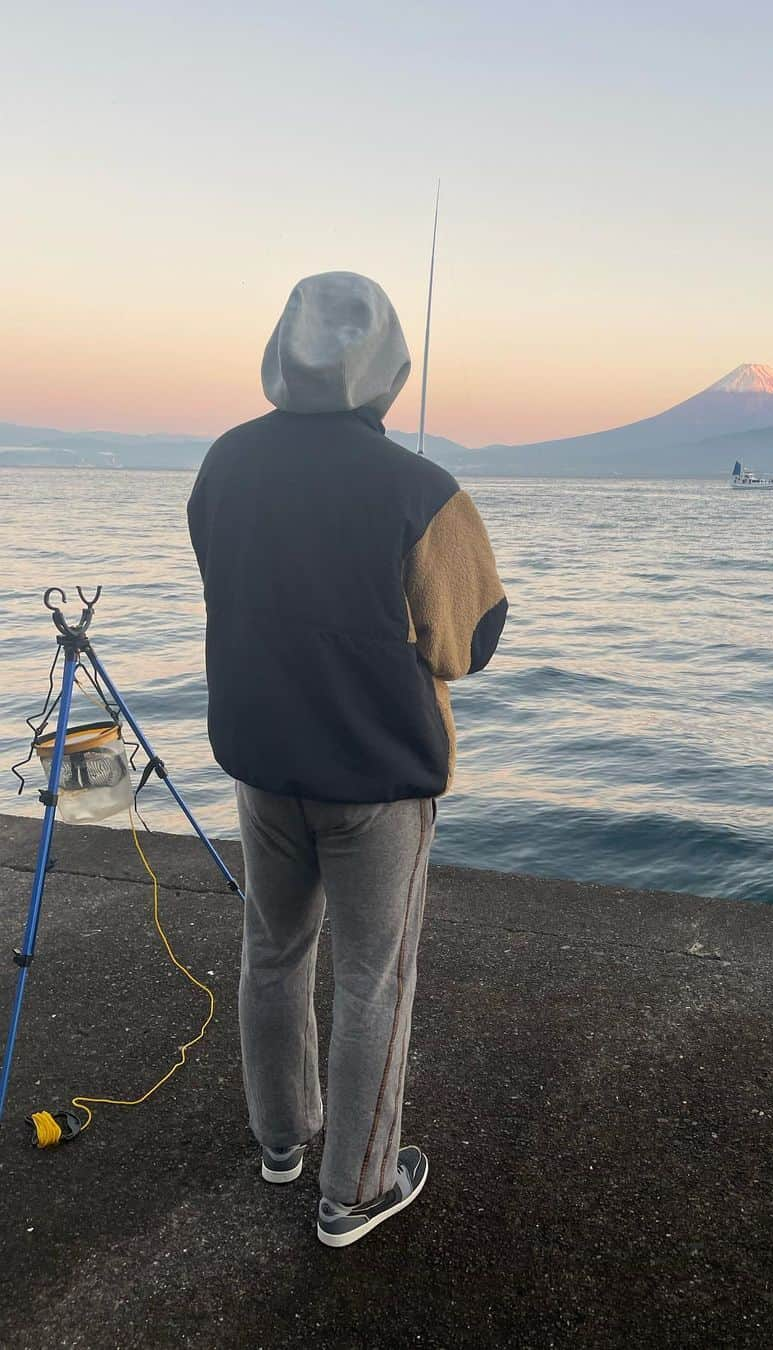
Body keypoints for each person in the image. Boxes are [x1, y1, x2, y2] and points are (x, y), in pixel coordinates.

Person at [186, 271, 507, 1247]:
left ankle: (283, 1141)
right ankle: (357, 1189)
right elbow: (468, 644)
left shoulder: (224, 464)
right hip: (375, 779)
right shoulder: (419, 489)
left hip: (259, 761)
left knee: (272, 952)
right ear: (388, 369)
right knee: (374, 978)